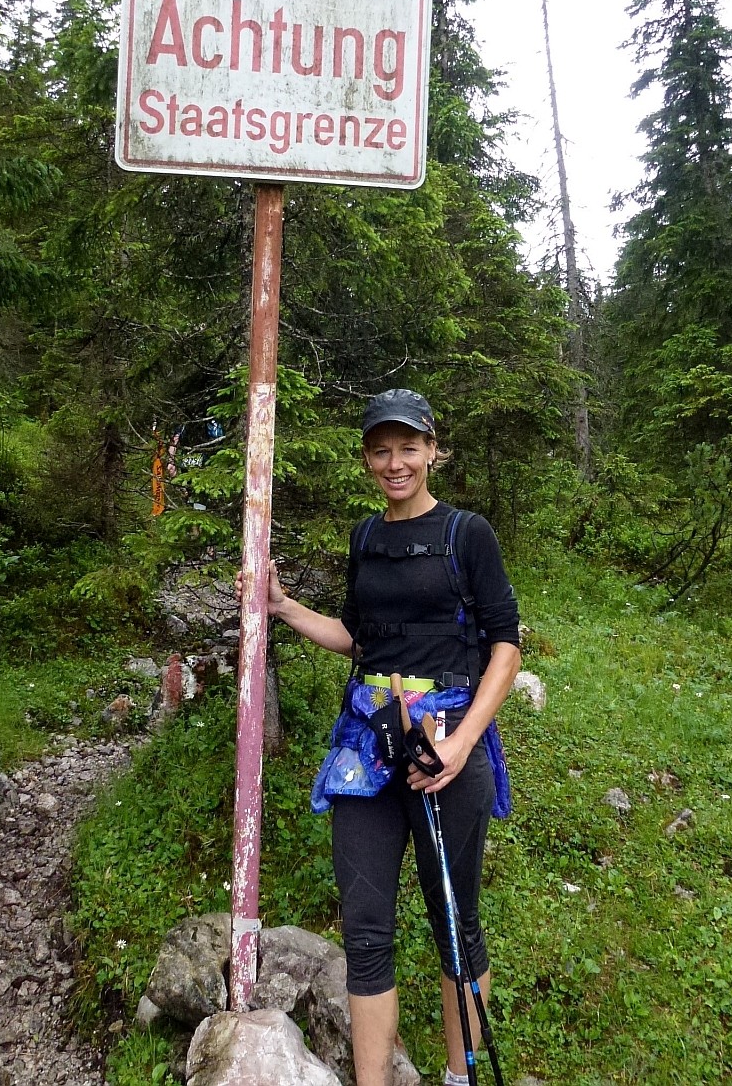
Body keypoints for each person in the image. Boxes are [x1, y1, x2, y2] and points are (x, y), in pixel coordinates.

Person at [237, 388, 521, 1086]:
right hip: (366, 748)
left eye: (409, 446)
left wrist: (459, 747)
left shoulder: (466, 534)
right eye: (381, 449)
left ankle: (460, 1077)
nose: (396, 462)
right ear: (367, 458)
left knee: (457, 927)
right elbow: (359, 638)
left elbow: (507, 647)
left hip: (446, 743)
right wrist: (283, 607)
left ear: (432, 449)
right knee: (366, 933)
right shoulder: (365, 538)